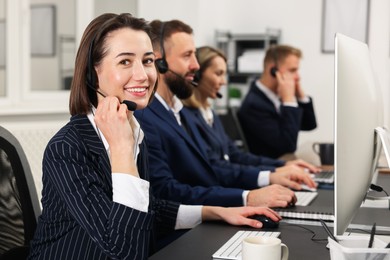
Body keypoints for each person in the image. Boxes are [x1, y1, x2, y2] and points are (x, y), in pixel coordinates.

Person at [28, 13, 282, 260]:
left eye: (147, 61)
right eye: (125, 61)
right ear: (93, 73)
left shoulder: (135, 130)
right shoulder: (67, 148)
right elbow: (124, 250)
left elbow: (148, 208)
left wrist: (214, 212)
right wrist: (121, 149)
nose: (143, 75)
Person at [135, 19, 315, 210]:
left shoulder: (181, 113)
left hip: (213, 207)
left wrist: (271, 175)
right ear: (159, 62)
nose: (195, 65)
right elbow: (165, 191)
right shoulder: (146, 117)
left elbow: (214, 166)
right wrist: (247, 197)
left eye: (195, 55)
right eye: (187, 55)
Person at [181, 46, 320, 185]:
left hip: (238, 177)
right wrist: (271, 174)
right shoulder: (253, 105)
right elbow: (288, 145)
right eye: (218, 74)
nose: (224, 82)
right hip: (225, 186)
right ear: (197, 75)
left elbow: (235, 155)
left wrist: (282, 165)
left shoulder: (210, 113)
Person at [237, 45, 317, 159]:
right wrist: (288, 100)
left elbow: (309, 125)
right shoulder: (254, 105)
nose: (297, 77)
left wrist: (300, 96)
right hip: (271, 167)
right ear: (273, 70)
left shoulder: (275, 96)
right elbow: (287, 146)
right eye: (292, 70)